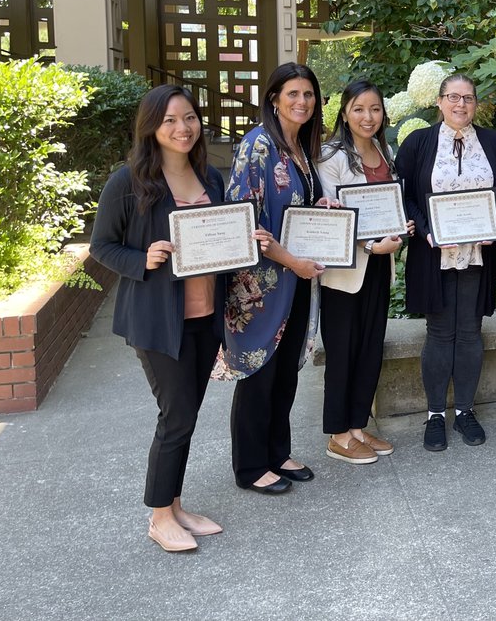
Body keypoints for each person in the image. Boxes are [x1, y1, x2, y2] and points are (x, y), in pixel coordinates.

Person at [91, 85, 266, 551]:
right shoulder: (126, 182)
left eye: (189, 118)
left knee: (184, 415)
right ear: (151, 125)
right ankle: (158, 517)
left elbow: (219, 237)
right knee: (177, 414)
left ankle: (175, 504)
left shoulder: (209, 176)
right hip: (155, 321)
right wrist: (142, 259)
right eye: (170, 120)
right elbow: (101, 246)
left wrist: (246, 240)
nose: (182, 128)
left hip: (204, 317)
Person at [216, 63, 329, 495]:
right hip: (260, 287)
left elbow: (295, 206)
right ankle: (250, 466)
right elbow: (245, 224)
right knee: (259, 372)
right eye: (293, 94)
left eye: (309, 95)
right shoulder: (257, 146)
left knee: (286, 372)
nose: (302, 102)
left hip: (297, 280)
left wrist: (323, 210)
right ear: (274, 99)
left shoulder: (299, 147)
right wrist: (293, 261)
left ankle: (277, 452)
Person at [396, 73, 496, 452]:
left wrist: (495, 227)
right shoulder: (419, 143)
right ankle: (434, 415)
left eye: (468, 98)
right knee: (440, 332)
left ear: (476, 104)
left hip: (478, 253)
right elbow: (406, 195)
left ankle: (464, 410)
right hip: (435, 254)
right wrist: (425, 230)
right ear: (439, 102)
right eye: (453, 97)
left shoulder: (493, 143)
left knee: (471, 331)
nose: (461, 105)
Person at [316, 81, 412, 464]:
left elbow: (389, 205)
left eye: (374, 109)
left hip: (377, 267)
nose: (367, 117)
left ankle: (357, 425)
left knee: (370, 348)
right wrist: (373, 244)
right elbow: (332, 215)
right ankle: (338, 435)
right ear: (344, 114)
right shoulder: (331, 155)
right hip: (345, 271)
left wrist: (400, 228)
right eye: (358, 109)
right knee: (343, 350)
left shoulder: (385, 151)